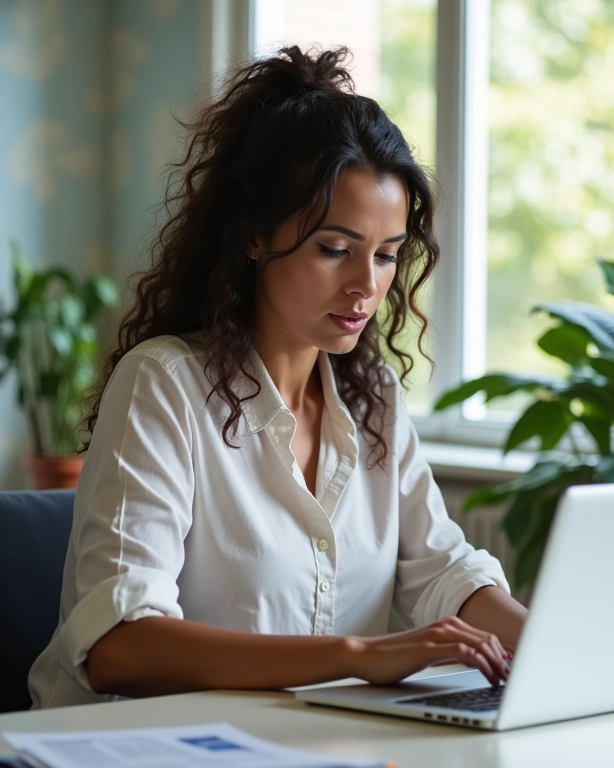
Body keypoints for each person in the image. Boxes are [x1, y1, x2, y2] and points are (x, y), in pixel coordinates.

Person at [28, 45, 527, 709]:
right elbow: (119, 646)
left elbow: (443, 569)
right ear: (255, 237)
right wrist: (355, 657)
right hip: (143, 745)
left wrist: (558, 644)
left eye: (386, 256)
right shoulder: (164, 384)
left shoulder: (372, 397)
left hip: (306, 744)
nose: (366, 285)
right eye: (334, 249)